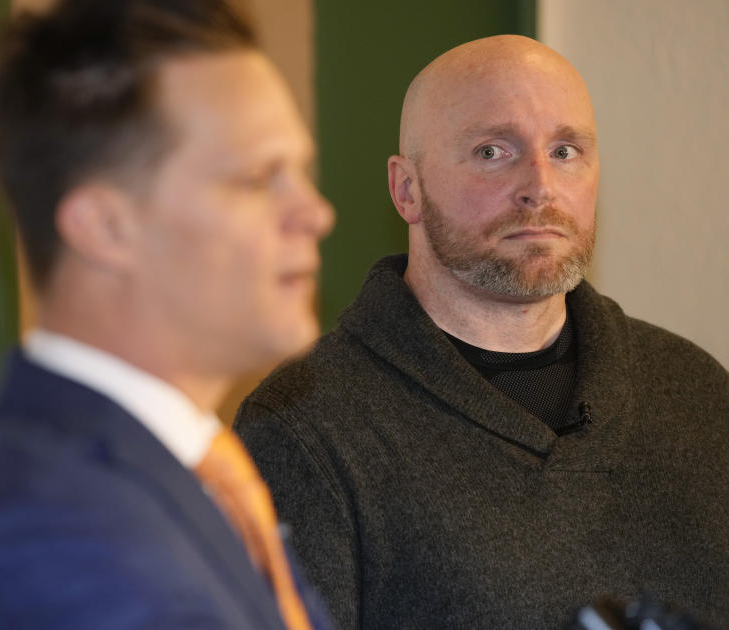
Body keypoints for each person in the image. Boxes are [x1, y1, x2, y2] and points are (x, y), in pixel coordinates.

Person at [234, 34, 729, 630]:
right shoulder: (304, 427)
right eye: (494, 151)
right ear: (406, 189)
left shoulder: (696, 392)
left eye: (566, 151)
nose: (540, 186)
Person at [0, 1, 336, 628]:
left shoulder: (188, 478)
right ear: (106, 227)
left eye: (299, 170)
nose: (315, 212)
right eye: (256, 177)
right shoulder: (46, 540)